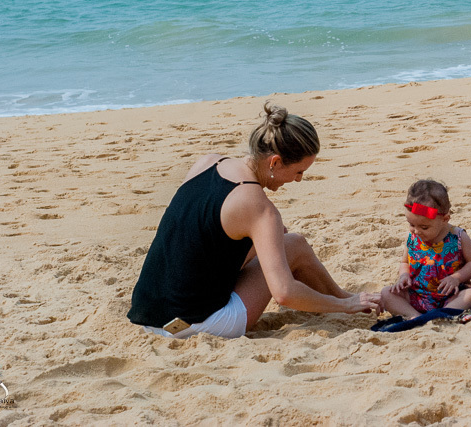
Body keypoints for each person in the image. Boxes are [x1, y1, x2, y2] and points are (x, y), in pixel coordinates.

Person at [127, 102, 380, 339]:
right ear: (275, 162)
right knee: (294, 244)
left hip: (146, 315)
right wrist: (342, 305)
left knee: (276, 237)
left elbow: (192, 240)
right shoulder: (260, 208)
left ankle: (349, 300)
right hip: (195, 324)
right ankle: (347, 302)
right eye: (299, 171)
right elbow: (284, 294)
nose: (299, 179)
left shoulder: (207, 162)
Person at [380, 179, 471, 319]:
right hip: (417, 295)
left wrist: (456, 278)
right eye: (411, 224)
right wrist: (404, 276)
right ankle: (414, 316)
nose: (416, 231)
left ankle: (443, 314)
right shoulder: (413, 237)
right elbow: (405, 262)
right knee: (386, 293)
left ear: (445, 219)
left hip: (449, 295)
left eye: (424, 227)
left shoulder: (458, 236)